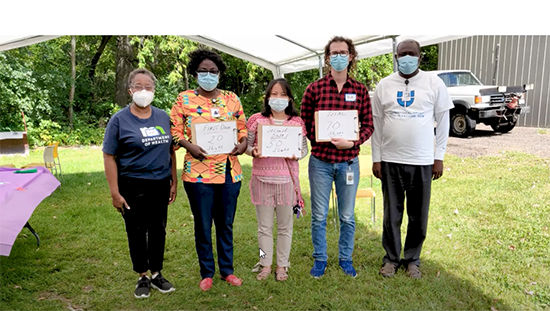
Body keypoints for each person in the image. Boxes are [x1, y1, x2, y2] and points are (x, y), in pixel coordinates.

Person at [371, 39, 454, 279]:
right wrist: (377, 158)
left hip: (422, 161)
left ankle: (413, 259)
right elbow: (377, 123)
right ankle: (391, 259)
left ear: (420, 56)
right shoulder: (384, 85)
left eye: (411, 53)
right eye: (401, 54)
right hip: (390, 160)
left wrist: (439, 156)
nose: (406, 57)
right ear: (396, 57)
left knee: (418, 214)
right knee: (392, 214)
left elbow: (443, 120)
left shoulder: (433, 83)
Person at [170, 49, 248, 291]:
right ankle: (207, 272)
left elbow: (242, 128)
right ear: (195, 73)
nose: (208, 75)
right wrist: (187, 144)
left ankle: (227, 270)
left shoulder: (232, 98)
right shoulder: (183, 100)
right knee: (203, 225)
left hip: (228, 171)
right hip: (198, 174)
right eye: (203, 71)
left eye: (213, 71)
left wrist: (243, 144)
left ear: (219, 74)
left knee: (225, 223)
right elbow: (173, 131)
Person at [300, 36, 374, 278]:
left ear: (351, 56)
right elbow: (305, 123)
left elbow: (369, 126)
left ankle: (345, 259)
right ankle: (320, 258)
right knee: (319, 215)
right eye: (334, 53)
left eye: (344, 52)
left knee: (347, 216)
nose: (339, 56)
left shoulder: (360, 90)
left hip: (349, 163)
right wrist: (319, 137)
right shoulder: (314, 89)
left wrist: (352, 142)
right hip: (320, 162)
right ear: (327, 57)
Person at [103, 68, 178, 298]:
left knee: (158, 229)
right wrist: (115, 192)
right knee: (136, 231)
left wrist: (173, 181)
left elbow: (171, 150)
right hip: (132, 184)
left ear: (154, 91)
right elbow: (109, 156)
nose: (143, 91)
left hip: (160, 183)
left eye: (148, 87)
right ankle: (142, 276)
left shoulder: (163, 117)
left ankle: (157, 274)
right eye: (138, 86)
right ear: (129, 90)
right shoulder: (119, 120)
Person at [245, 78, 308, 282]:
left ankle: (282, 265)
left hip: (286, 182)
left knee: (285, 228)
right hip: (261, 180)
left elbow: (304, 149)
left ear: (289, 98)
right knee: (263, 228)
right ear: (267, 97)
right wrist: (252, 151)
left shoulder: (296, 122)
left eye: (282, 94)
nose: (278, 98)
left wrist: (296, 154)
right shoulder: (256, 120)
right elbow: (247, 146)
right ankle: (264, 262)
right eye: (274, 94)